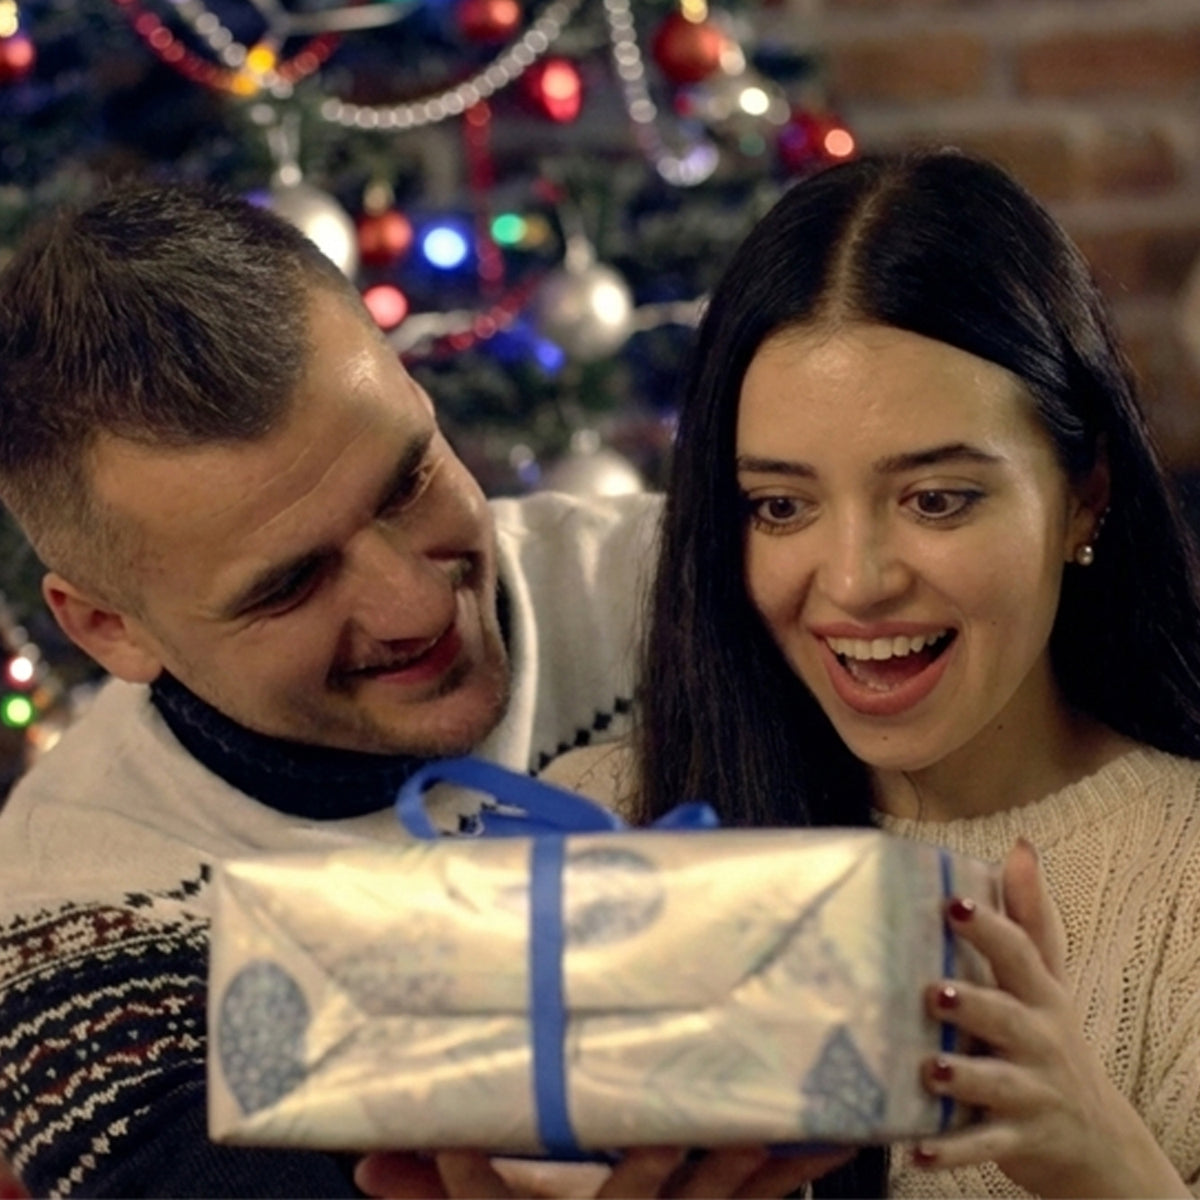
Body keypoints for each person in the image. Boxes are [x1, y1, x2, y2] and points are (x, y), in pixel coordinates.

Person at [0, 183, 730, 1200]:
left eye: (407, 481)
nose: (412, 603)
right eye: (290, 584)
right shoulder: (71, 923)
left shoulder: (699, 594)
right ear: (107, 628)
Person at [542, 149, 1200, 1198]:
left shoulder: (1184, 884)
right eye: (781, 506)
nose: (852, 583)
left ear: (1083, 498)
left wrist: (1104, 1161)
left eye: (936, 498)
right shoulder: (590, 835)